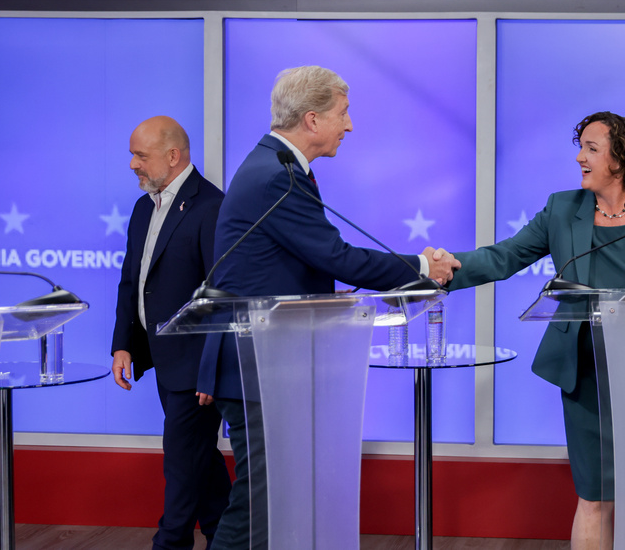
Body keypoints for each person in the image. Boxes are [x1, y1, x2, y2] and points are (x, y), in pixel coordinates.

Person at [196, 65, 459, 549]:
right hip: (254, 362)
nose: (351, 125)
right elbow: (335, 255)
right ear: (312, 119)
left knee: (273, 496)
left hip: (267, 356)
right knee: (260, 501)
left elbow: (281, 262)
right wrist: (422, 264)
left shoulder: (278, 167)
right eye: (344, 113)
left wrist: (316, 297)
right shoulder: (276, 176)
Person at [437, 111, 625, 550]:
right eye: (581, 146)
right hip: (586, 373)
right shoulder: (561, 209)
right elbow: (504, 257)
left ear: (621, 158)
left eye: (591, 148)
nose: (579, 157)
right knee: (594, 496)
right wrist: (440, 268)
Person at [112, 116, 231, 550]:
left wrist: (213, 368)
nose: (132, 165)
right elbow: (132, 280)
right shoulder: (146, 205)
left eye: (140, 155)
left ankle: (171, 542)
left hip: (196, 365)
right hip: (161, 359)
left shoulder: (211, 207)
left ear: (173, 156)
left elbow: (221, 296)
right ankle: (227, 536)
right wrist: (123, 343)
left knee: (181, 462)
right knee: (199, 457)